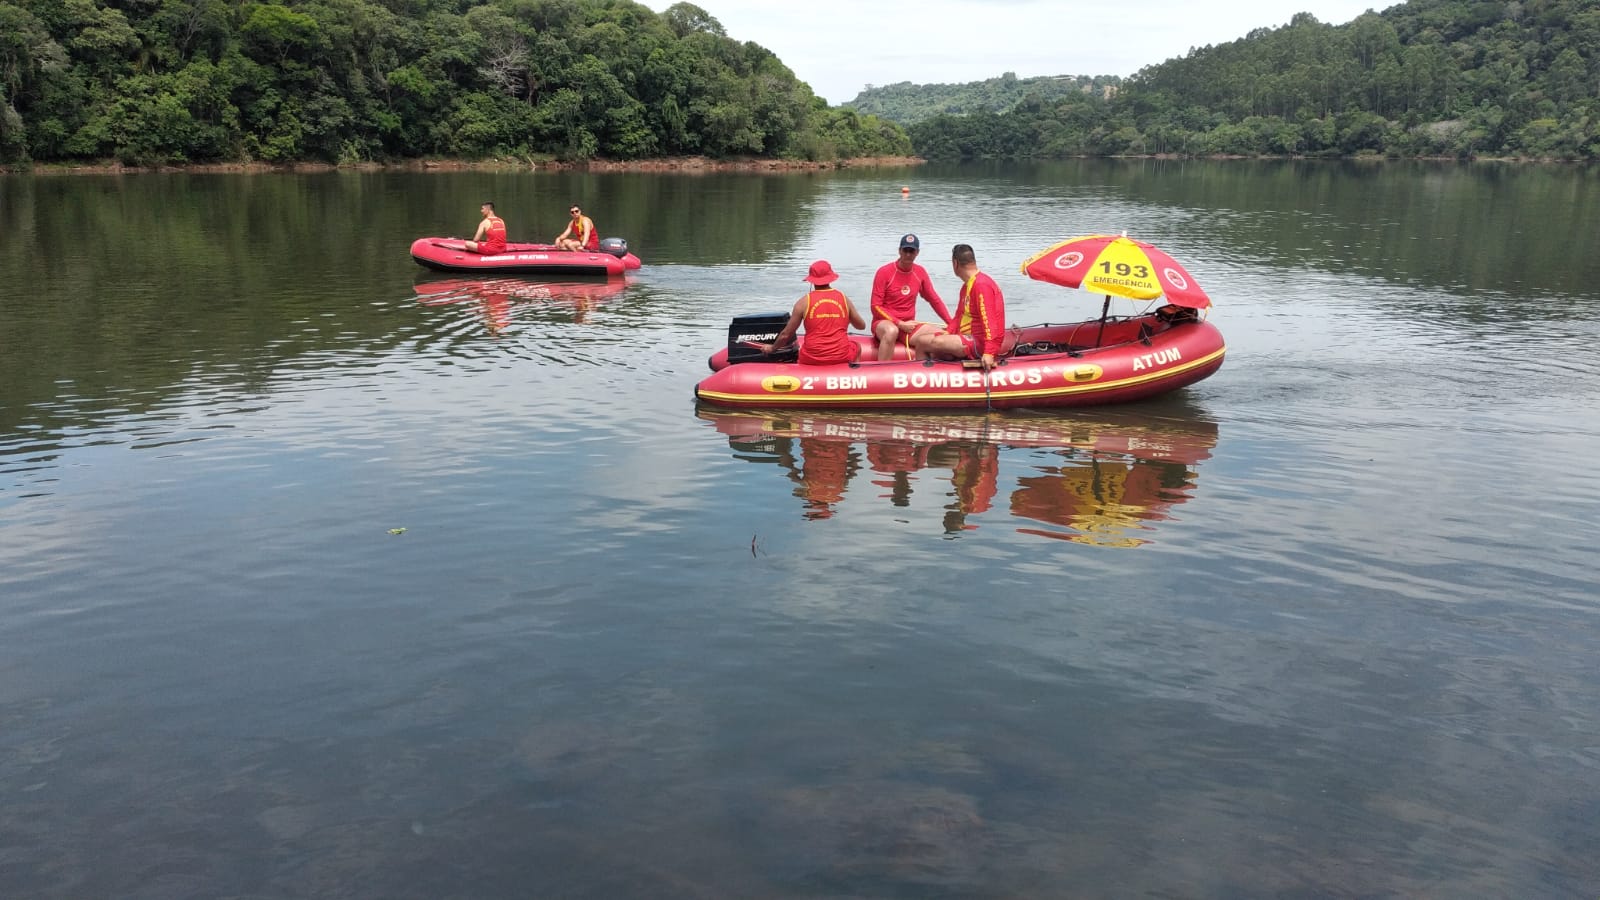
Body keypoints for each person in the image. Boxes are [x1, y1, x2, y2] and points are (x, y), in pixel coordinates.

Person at [908, 244, 1005, 370]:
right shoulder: (966, 287)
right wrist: (948, 332)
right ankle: (933, 377)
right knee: (930, 341)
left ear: (955, 263)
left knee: (925, 342)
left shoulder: (981, 285)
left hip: (978, 342)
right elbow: (959, 316)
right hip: (968, 337)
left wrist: (989, 353)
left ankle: (920, 378)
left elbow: (989, 323)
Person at [868, 233, 954, 362]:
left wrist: (951, 322)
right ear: (899, 251)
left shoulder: (920, 272)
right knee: (892, 331)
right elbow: (875, 307)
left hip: (908, 326)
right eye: (905, 250)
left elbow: (934, 300)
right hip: (884, 323)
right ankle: (882, 371)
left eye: (911, 251)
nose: (908, 254)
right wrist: (899, 323)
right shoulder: (884, 272)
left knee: (945, 336)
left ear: (917, 252)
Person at [764, 260, 867, 366]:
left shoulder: (803, 302)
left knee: (802, 350)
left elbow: (786, 335)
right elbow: (861, 326)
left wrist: (772, 348)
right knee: (856, 346)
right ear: (830, 278)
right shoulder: (843, 298)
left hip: (811, 357)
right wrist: (844, 318)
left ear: (811, 281)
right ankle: (853, 375)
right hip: (841, 356)